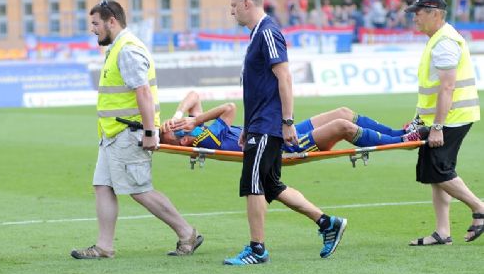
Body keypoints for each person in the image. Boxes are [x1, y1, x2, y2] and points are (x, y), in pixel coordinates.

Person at [211, 0, 348, 265]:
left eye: (233, 6)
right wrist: (247, 126)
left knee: (252, 184)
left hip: (268, 124)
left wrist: (287, 122)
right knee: (271, 185)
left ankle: (257, 249)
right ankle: (327, 223)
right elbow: (258, 88)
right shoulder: (256, 34)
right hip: (259, 124)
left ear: (247, 4)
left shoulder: (268, 32)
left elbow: (284, 77)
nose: (231, 11)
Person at [70, 0, 203, 259]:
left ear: (111, 21)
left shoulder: (127, 49)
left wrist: (150, 132)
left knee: (139, 189)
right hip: (112, 135)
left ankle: (187, 232)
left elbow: (142, 91)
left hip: (129, 133)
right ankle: (104, 246)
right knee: (102, 186)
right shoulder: (117, 47)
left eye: (96, 23)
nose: (92, 29)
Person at [404, 0, 484, 246]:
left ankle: (480, 208)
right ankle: (442, 232)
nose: (414, 16)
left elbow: (446, 88)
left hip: (452, 119)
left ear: (435, 13)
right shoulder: (438, 39)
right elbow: (432, 90)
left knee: (438, 170)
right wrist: (418, 120)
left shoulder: (444, 42)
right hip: (444, 119)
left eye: (419, 12)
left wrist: (436, 127)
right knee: (435, 173)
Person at [160, 91, 428, 152]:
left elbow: (193, 96)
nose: (172, 127)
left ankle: (399, 131)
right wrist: (194, 122)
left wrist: (178, 117)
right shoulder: (204, 137)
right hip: (283, 147)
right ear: (181, 140)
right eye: (170, 131)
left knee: (343, 112)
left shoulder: (195, 129)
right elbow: (229, 108)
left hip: (276, 132)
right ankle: (401, 141)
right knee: (341, 127)